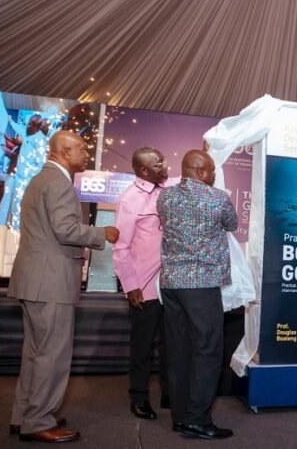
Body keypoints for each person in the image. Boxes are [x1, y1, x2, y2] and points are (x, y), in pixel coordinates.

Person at [8, 130, 119, 443]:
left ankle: (25, 416)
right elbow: (65, 229)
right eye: (81, 149)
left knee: (35, 354)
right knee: (51, 356)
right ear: (63, 150)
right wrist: (103, 234)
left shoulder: (38, 179)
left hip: (36, 280)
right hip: (51, 281)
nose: (86, 154)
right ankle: (39, 421)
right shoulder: (58, 182)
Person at [157, 149, 237, 440]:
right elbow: (232, 224)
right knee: (207, 350)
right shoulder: (217, 199)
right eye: (212, 170)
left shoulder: (164, 197)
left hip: (171, 283)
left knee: (178, 350)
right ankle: (198, 419)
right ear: (202, 172)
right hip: (202, 285)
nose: (214, 175)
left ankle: (180, 417)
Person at [113, 147, 171, 420]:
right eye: (159, 163)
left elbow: (190, 178)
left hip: (172, 285)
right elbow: (121, 247)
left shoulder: (168, 189)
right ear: (144, 170)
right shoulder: (130, 200)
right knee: (143, 346)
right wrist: (130, 285)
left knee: (172, 343)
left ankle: (170, 393)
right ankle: (138, 397)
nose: (165, 165)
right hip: (144, 286)